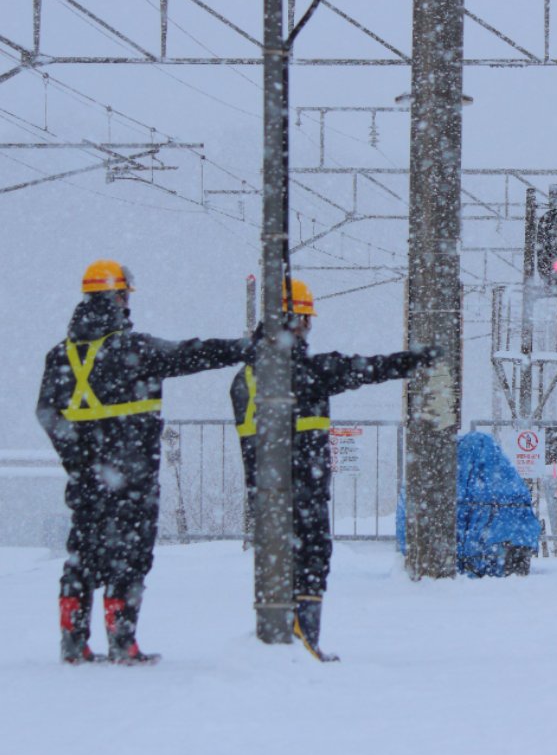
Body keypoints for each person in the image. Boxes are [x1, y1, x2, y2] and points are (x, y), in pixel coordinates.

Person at [36, 260, 250, 664]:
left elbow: (46, 413)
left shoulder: (59, 356)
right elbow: (193, 354)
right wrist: (245, 347)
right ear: (118, 298)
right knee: (129, 556)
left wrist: (79, 460)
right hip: (132, 479)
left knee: (82, 553)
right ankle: (122, 644)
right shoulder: (135, 350)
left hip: (86, 479)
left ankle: (72, 643)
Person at [230, 279, 434, 661]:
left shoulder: (243, 378)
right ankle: (305, 637)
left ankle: (279, 634)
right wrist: (411, 361)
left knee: (276, 561)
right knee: (312, 557)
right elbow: (364, 368)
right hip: (304, 486)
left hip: (263, 490)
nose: (308, 330)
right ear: (291, 320)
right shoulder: (307, 373)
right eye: (305, 321)